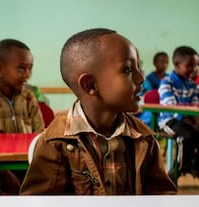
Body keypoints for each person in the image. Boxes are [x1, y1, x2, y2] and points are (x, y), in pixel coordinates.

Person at [20, 28, 176, 195]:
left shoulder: (143, 138)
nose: (141, 78)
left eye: (138, 68)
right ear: (90, 85)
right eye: (128, 70)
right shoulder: (55, 144)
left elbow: (161, 200)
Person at [0, 39, 45, 195]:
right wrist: (4, 173)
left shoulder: (29, 97)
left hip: (27, 164)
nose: (27, 75)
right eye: (21, 68)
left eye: (30, 68)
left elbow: (40, 136)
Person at [159, 46, 199, 177]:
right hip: (168, 121)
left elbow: (195, 104)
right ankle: (179, 170)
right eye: (190, 66)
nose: (193, 69)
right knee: (186, 136)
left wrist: (194, 120)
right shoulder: (167, 82)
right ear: (176, 64)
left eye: (196, 66)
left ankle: (195, 166)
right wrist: (187, 119)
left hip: (187, 121)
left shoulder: (192, 85)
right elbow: (170, 106)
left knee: (194, 133)